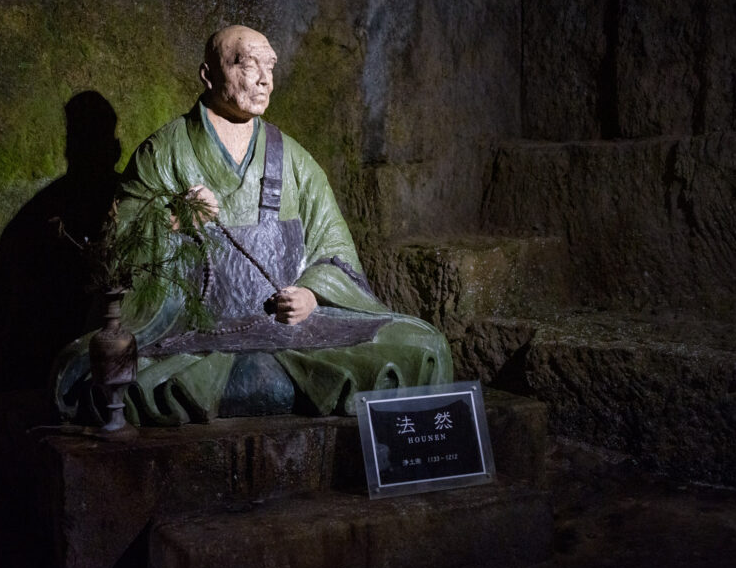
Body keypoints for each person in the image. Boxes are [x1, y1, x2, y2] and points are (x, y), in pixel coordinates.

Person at [66, 25, 452, 425]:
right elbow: (117, 252)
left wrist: (312, 295)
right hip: (197, 337)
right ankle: (266, 385)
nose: (265, 78)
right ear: (208, 74)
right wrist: (175, 221)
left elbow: (334, 248)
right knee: (97, 371)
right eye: (248, 64)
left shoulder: (293, 159)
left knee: (425, 346)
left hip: (287, 330)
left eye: (270, 65)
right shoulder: (163, 153)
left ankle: (255, 386)